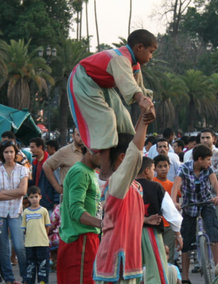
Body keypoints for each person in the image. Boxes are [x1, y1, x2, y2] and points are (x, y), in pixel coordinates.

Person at [93, 108, 153, 284]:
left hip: (129, 262)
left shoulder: (135, 187)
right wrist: (143, 121)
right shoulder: (117, 182)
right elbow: (135, 151)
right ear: (123, 159)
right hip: (115, 262)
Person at [67, 29, 156, 157]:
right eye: (151, 52)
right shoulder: (120, 58)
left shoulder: (134, 64)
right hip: (83, 80)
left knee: (124, 120)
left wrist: (149, 105)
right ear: (140, 47)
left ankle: (124, 157)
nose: (151, 57)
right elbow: (130, 86)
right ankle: (105, 166)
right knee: (106, 118)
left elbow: (140, 89)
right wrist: (142, 99)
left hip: (102, 85)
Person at [53, 142, 101, 284]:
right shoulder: (79, 172)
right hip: (79, 242)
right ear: (91, 151)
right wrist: (103, 224)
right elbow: (75, 211)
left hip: (87, 241)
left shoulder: (90, 173)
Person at [136, 157, 182, 284]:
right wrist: (177, 234)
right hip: (151, 234)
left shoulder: (127, 186)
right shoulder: (156, 187)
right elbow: (171, 213)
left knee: (127, 273)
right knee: (157, 272)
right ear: (148, 170)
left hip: (129, 234)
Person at [172, 144, 218, 284]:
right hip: (190, 206)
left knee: (214, 234)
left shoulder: (208, 170)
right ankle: (186, 279)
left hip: (207, 203)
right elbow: (176, 186)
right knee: (186, 242)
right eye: (207, 159)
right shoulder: (185, 168)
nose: (209, 162)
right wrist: (175, 201)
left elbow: (215, 184)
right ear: (199, 159)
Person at [0, 141, 28, 284]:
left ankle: (26, 277)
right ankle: (9, 278)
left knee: (19, 246)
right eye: (6, 152)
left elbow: (23, 191)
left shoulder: (22, 170)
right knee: (4, 248)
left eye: (11, 152)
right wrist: (13, 193)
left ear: (16, 153)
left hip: (15, 212)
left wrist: (3, 193)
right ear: (2, 154)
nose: (9, 155)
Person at [20, 186, 51, 284]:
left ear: (40, 197)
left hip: (42, 242)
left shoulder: (44, 211)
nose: (34, 199)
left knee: (42, 262)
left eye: (36, 196)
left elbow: (47, 226)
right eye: (31, 197)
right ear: (28, 198)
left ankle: (42, 282)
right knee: (30, 263)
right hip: (29, 243)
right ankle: (30, 282)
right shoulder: (25, 212)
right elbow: (24, 228)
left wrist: (44, 237)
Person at [42, 128, 83, 195]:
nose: (81, 138)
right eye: (78, 135)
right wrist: (57, 187)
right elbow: (46, 166)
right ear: (73, 136)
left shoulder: (90, 151)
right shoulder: (65, 151)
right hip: (69, 195)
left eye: (83, 135)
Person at [153, 154, 177, 262]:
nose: (163, 169)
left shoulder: (173, 185)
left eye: (165, 166)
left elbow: (177, 199)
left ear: (169, 167)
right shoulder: (152, 183)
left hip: (169, 224)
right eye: (160, 166)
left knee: (169, 255)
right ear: (154, 168)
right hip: (156, 224)